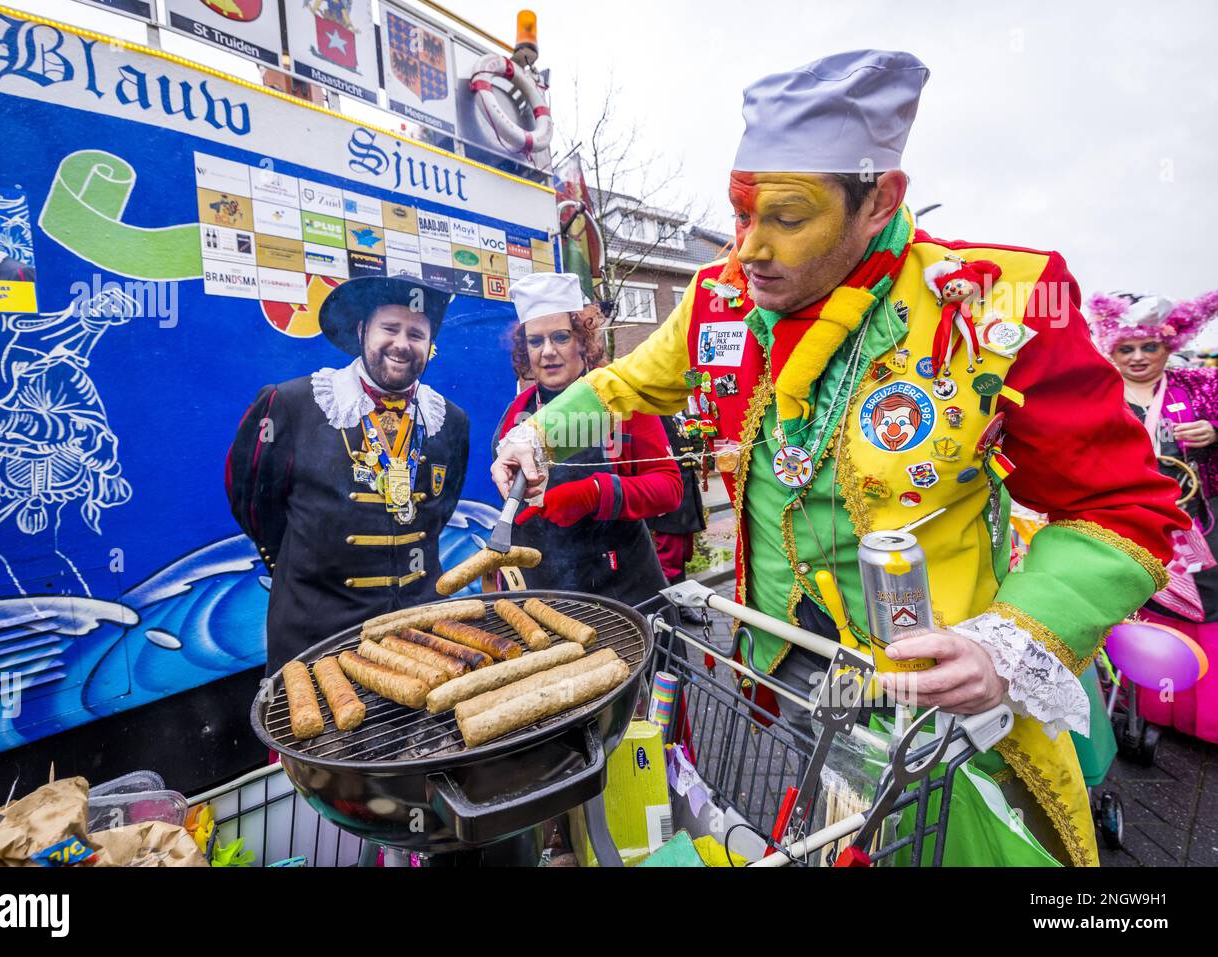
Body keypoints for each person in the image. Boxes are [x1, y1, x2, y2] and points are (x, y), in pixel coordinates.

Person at [492, 50, 1187, 866]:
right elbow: (627, 385)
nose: (748, 247)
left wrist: (1008, 643)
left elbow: (1127, 512)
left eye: (787, 216)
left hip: (938, 706)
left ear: (880, 200)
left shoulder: (1003, 299)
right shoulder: (718, 298)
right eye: (741, 212)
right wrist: (541, 434)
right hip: (781, 678)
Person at [227, 276, 469, 675]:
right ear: (362, 331)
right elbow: (252, 501)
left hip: (420, 628)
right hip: (319, 631)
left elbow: (438, 512)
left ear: (430, 345)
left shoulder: (451, 420)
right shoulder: (292, 403)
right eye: (389, 328)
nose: (402, 344)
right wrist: (303, 566)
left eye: (416, 334)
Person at [493, 272, 681, 605]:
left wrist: (595, 493)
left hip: (624, 586)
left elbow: (669, 489)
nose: (548, 351)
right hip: (547, 590)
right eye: (536, 341)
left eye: (561, 337)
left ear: (583, 340)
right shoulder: (516, 413)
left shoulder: (620, 402)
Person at [1091, 289, 1218, 744]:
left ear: (1170, 347)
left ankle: (1206, 717)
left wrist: (1215, 432)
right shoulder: (1098, 393)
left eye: (1151, 347)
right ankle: (1157, 709)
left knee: (1209, 604)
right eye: (1127, 348)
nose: (1139, 357)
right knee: (1148, 602)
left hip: (1201, 523)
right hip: (1133, 524)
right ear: (1112, 350)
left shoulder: (1200, 386)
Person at [648, 413, 707, 589]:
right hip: (668, 491)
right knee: (669, 555)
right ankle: (669, 606)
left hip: (686, 490)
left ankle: (680, 603)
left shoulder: (677, 413)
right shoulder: (654, 413)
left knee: (682, 550)